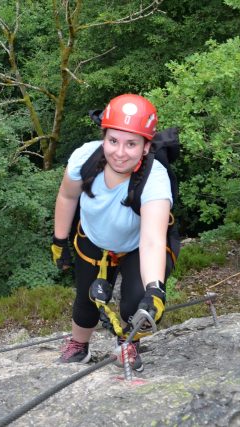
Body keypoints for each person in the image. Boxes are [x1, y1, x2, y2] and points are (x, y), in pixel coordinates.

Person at [51, 94, 173, 370]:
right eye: (113, 141)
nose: (119, 152)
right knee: (86, 297)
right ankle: (79, 345)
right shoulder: (85, 158)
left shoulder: (155, 180)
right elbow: (67, 197)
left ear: (145, 146)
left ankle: (129, 343)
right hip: (93, 238)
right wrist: (59, 240)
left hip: (135, 246)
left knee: (135, 303)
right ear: (103, 137)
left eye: (131, 143)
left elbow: (153, 239)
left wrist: (155, 289)